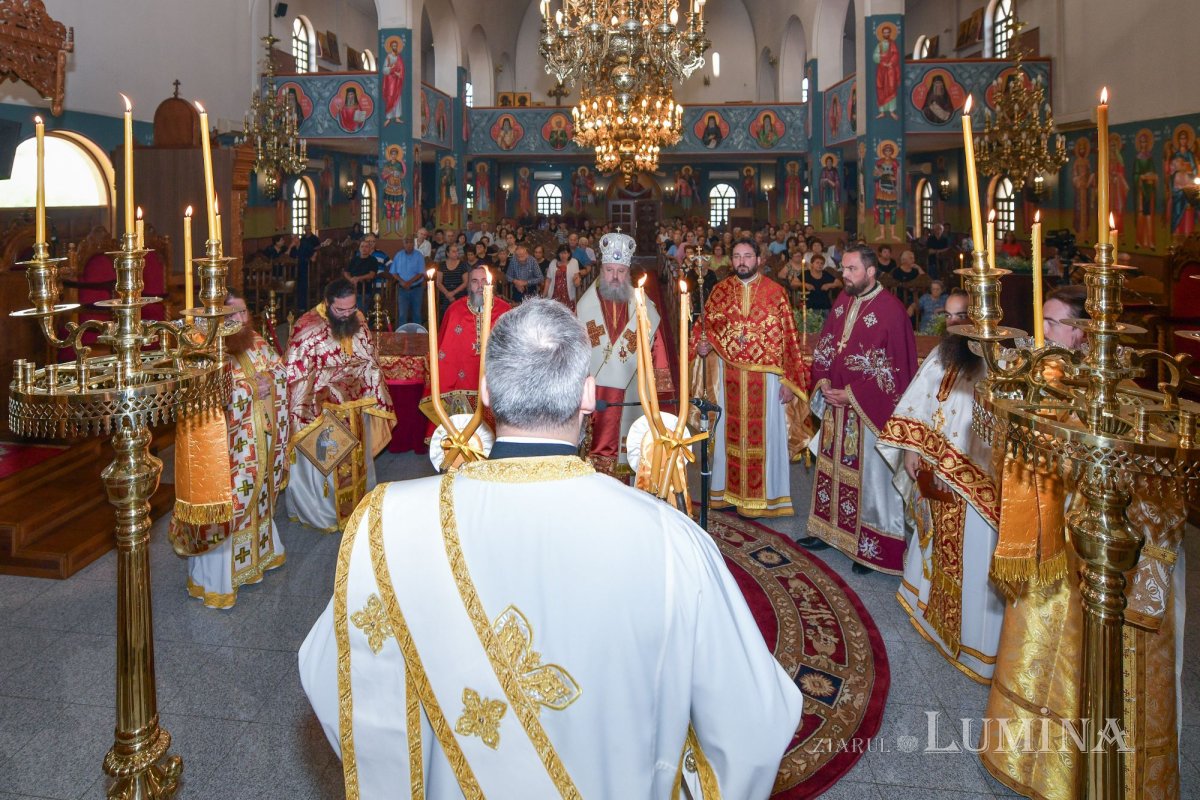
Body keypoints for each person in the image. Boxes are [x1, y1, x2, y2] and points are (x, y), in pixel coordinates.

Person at [298, 299, 803, 797]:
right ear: (588, 395)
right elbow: (753, 726)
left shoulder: (388, 526)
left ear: (485, 392)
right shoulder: (671, 541)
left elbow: (334, 682)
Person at [980, 284, 1186, 797]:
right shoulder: (1047, 383)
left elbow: (1155, 489)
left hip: (1111, 557)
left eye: (1052, 324)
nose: (1041, 334)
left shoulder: (1123, 397)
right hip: (1057, 547)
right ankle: (1031, 762)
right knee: (1044, 649)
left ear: (1083, 332)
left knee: (1097, 664)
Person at [876, 291, 1004, 680]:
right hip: (933, 471)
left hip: (973, 483)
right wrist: (912, 450)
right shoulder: (943, 353)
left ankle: (973, 640)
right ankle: (928, 611)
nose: (952, 323)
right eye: (947, 316)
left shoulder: (998, 363)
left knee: (973, 554)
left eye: (961, 315)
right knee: (933, 543)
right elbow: (918, 402)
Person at [801, 245, 917, 573]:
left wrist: (852, 394)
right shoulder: (843, 301)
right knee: (832, 471)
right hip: (836, 407)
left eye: (852, 270)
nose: (845, 276)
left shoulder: (892, 311)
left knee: (871, 481)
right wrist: (823, 381)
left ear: (870, 272)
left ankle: (872, 547)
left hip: (868, 413)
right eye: (844, 270)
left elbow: (897, 370)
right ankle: (828, 532)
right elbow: (826, 345)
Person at [172, 292, 290, 608]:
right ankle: (219, 579)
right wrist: (252, 387)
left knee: (260, 499)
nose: (239, 321)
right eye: (230, 317)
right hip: (225, 453)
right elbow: (201, 398)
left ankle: (259, 558)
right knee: (229, 505)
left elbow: (278, 368)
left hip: (259, 441)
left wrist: (269, 379)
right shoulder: (200, 347)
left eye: (242, 313)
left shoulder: (252, 339)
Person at [694, 238, 809, 517]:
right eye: (736, 256)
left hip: (767, 383)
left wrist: (789, 383)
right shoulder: (719, 292)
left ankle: (768, 498)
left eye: (747, 256)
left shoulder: (776, 293)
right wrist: (701, 346)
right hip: (728, 377)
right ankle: (727, 494)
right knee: (726, 437)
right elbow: (703, 330)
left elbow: (790, 342)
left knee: (767, 437)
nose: (741, 261)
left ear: (759, 259)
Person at [285, 279, 396, 532]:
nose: (348, 315)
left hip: (355, 408)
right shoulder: (307, 327)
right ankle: (325, 513)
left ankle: (357, 506)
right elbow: (295, 374)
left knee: (356, 461)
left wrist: (369, 378)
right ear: (327, 303)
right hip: (322, 412)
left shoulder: (357, 318)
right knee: (329, 463)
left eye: (351, 309)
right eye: (341, 311)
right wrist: (329, 385)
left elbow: (368, 354)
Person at [575, 232, 672, 475]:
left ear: (627, 273)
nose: (615, 277)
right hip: (596, 391)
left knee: (629, 446)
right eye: (610, 270)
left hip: (632, 385)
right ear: (601, 270)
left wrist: (659, 385)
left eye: (620, 271)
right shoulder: (585, 307)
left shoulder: (643, 305)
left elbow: (656, 344)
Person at [434, 264, 512, 397]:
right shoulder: (455, 311)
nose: (480, 286)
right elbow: (445, 352)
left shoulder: (505, 311)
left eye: (484, 281)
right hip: (462, 383)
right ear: (469, 285)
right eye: (475, 281)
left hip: (495, 380)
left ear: (490, 283)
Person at [390, 235, 427, 327]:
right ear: (403, 244)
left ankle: (418, 337)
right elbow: (393, 272)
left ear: (413, 243)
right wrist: (402, 282)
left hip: (417, 289)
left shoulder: (419, 255)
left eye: (411, 242)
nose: (409, 244)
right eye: (406, 242)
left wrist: (409, 282)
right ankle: (401, 337)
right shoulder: (398, 255)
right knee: (402, 315)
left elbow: (421, 272)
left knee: (417, 314)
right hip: (402, 290)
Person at [543, 243, 581, 310]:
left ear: (569, 254)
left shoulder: (574, 262)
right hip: (554, 295)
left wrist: (577, 281)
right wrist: (544, 295)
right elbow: (548, 280)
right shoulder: (553, 262)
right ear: (558, 254)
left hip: (568, 295)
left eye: (565, 253)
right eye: (561, 253)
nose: (563, 255)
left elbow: (577, 279)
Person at [436, 244, 468, 319]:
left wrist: (453, 293)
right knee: (445, 315)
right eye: (453, 251)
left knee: (460, 316)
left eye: (457, 251)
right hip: (446, 295)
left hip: (459, 294)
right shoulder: (442, 265)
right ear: (447, 253)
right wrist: (448, 294)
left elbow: (465, 282)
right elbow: (438, 282)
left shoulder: (462, 264)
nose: (456, 253)